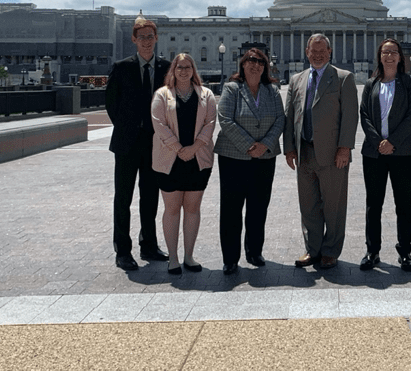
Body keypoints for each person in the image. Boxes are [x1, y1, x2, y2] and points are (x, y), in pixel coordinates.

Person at [284, 33, 359, 270]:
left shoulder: (343, 78)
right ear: (307, 52)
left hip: (332, 152)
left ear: (330, 53)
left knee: (334, 205)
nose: (317, 55)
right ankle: (312, 249)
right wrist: (288, 148)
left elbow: (350, 117)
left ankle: (330, 250)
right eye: (313, 51)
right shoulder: (296, 79)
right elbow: (290, 116)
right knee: (308, 205)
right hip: (304, 150)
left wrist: (344, 148)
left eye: (322, 51)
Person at [105, 17, 171, 271]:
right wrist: (126, 128)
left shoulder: (166, 69)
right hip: (127, 142)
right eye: (141, 37)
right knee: (123, 197)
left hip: (154, 142)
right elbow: (111, 103)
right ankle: (122, 250)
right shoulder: (121, 67)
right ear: (134, 40)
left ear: (156, 39)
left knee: (150, 197)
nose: (146, 42)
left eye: (150, 37)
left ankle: (149, 244)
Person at [214, 48, 286, 275]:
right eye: (251, 61)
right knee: (231, 208)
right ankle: (230, 257)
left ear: (265, 67)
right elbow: (225, 119)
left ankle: (254, 251)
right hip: (233, 157)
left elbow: (280, 119)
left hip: (264, 157)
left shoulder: (272, 90)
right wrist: (249, 145)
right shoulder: (232, 89)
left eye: (260, 62)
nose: (255, 65)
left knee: (258, 207)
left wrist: (264, 144)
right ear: (242, 65)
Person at [150, 53, 216, 274]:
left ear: (193, 69)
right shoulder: (162, 95)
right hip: (170, 160)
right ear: (173, 70)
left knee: (192, 209)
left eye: (188, 67)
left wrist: (194, 148)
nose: (184, 71)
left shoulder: (206, 95)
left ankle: (189, 255)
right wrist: (179, 149)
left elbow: (210, 123)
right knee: (171, 209)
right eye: (180, 67)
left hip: (198, 159)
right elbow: (159, 125)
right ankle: (173, 258)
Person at [358, 39, 411, 272]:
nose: (390, 56)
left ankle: (405, 252)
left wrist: (392, 142)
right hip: (373, 153)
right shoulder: (370, 83)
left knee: (403, 204)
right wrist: (378, 142)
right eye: (385, 52)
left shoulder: (409, 83)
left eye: (394, 52)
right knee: (373, 204)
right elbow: (364, 115)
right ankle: (372, 251)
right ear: (379, 56)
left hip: (402, 151)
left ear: (400, 57)